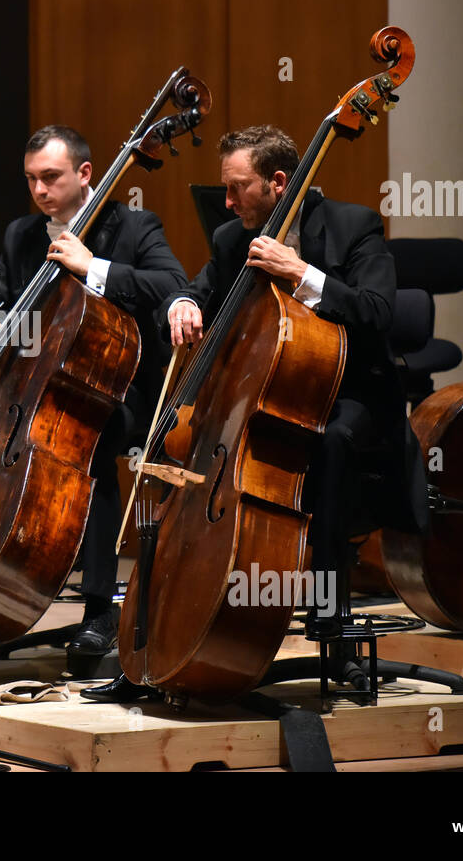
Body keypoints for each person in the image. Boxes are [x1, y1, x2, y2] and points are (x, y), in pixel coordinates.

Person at [84, 123, 427, 702]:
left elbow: (377, 315)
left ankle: (331, 619)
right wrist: (184, 305)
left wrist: (302, 274)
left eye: (237, 188)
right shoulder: (230, 238)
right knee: (185, 443)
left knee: (334, 439)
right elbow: (192, 288)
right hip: (268, 394)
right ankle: (152, 642)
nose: (227, 201)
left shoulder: (353, 225)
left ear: (277, 182)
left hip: (353, 393)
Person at [0, 124, 187, 661]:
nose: (40, 191)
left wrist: (91, 266)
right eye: (31, 180)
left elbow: (169, 286)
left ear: (85, 173)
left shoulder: (133, 226)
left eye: (51, 177)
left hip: (119, 386)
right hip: (36, 384)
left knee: (87, 440)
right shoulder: (22, 234)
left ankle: (98, 609)